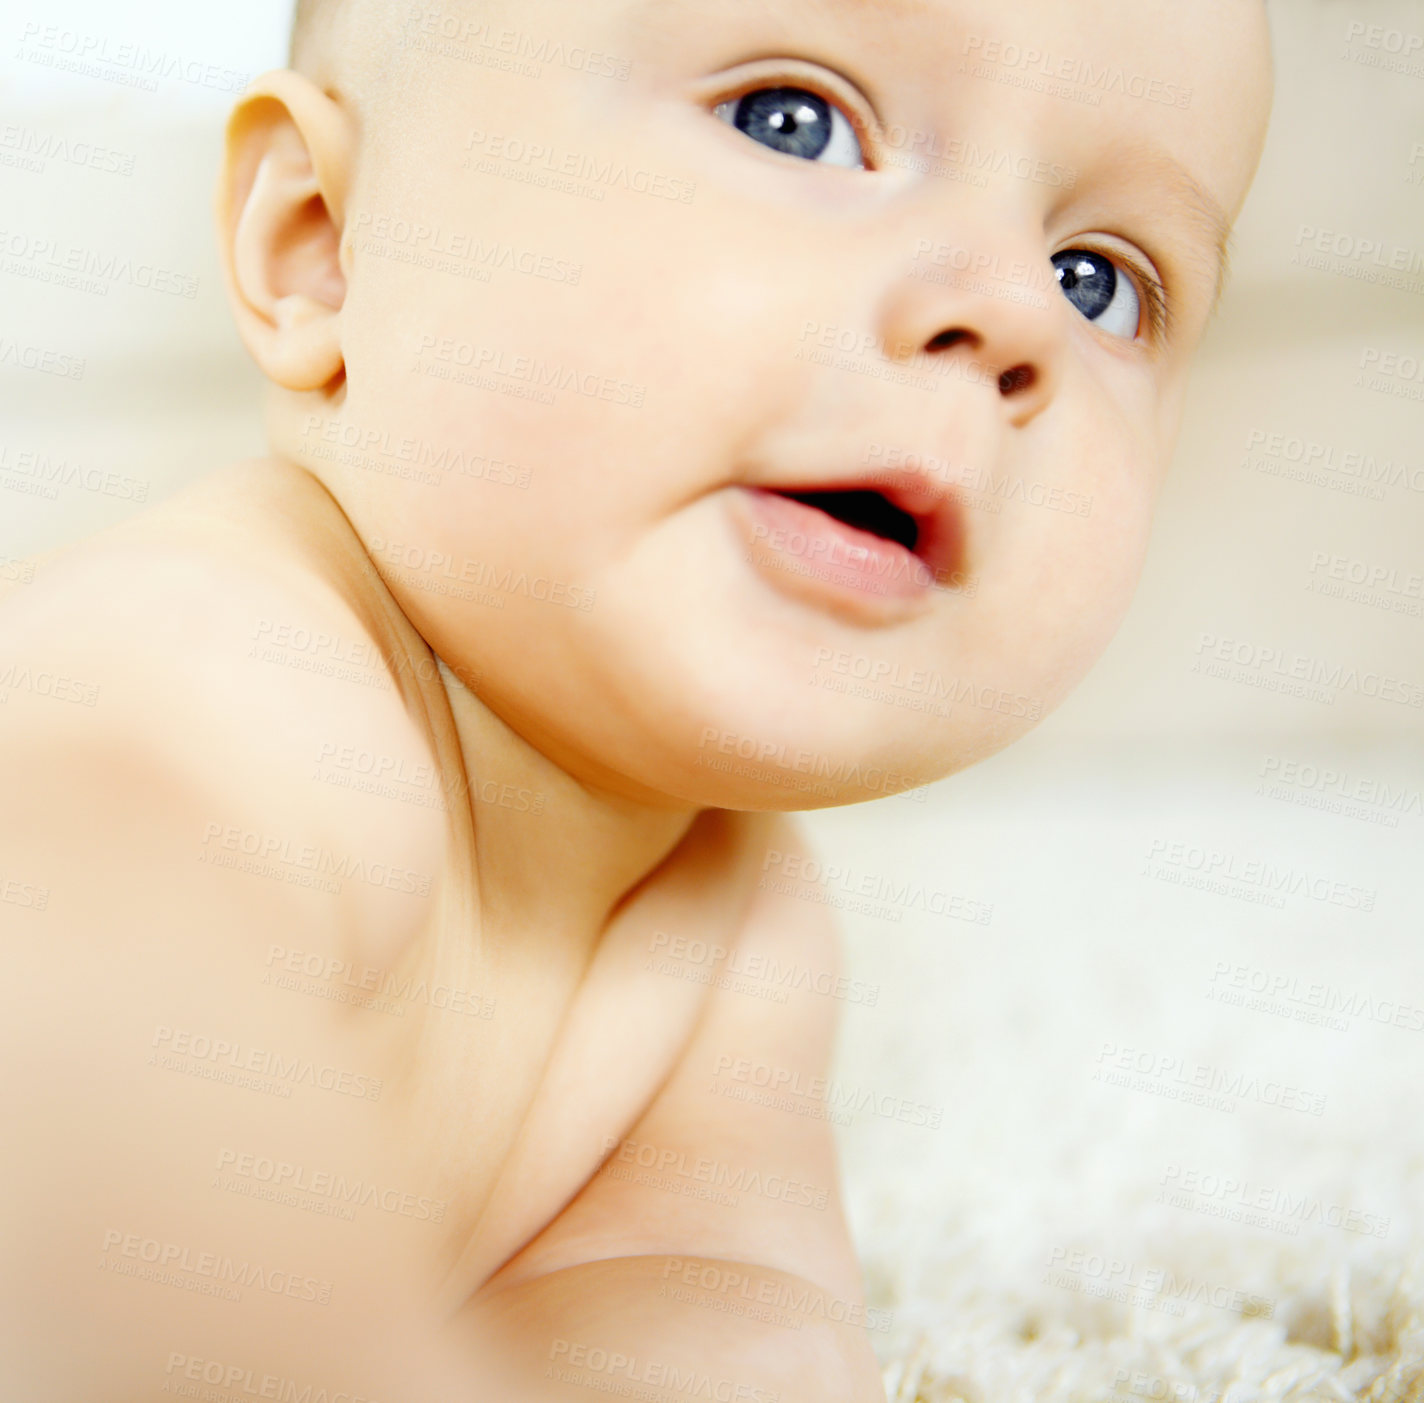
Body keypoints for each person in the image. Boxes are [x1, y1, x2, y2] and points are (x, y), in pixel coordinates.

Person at [0, 0, 1274, 1396]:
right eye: (794, 121)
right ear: (322, 245)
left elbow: (700, 1296)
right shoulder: (221, 660)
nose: (1010, 310)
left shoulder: (736, 924)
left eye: (1100, 279)